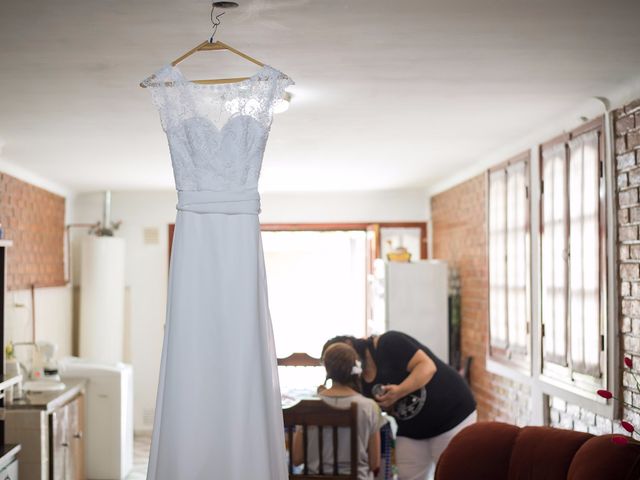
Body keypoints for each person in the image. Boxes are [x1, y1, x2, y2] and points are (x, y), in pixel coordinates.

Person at [322, 331, 477, 480]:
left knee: (451, 474)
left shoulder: (389, 342)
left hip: (451, 415)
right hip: (411, 429)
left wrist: (399, 392)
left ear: (351, 343)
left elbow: (427, 367)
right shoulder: (357, 380)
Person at [292, 342, 382, 480]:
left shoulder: (307, 407)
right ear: (354, 367)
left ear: (326, 367)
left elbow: (297, 458)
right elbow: (374, 463)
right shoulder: (369, 407)